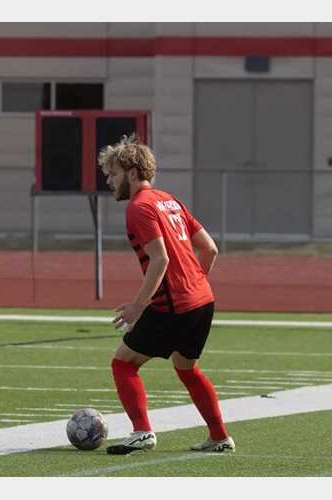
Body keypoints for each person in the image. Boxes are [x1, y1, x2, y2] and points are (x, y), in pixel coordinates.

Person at [98, 134, 235, 455]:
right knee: (187, 369)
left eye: (113, 173)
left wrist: (138, 306)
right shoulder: (169, 200)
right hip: (203, 300)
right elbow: (210, 249)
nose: (109, 181)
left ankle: (142, 432)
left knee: (123, 364)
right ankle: (219, 437)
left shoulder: (139, 207)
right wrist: (194, 283)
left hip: (174, 304)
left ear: (132, 173)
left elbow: (161, 258)